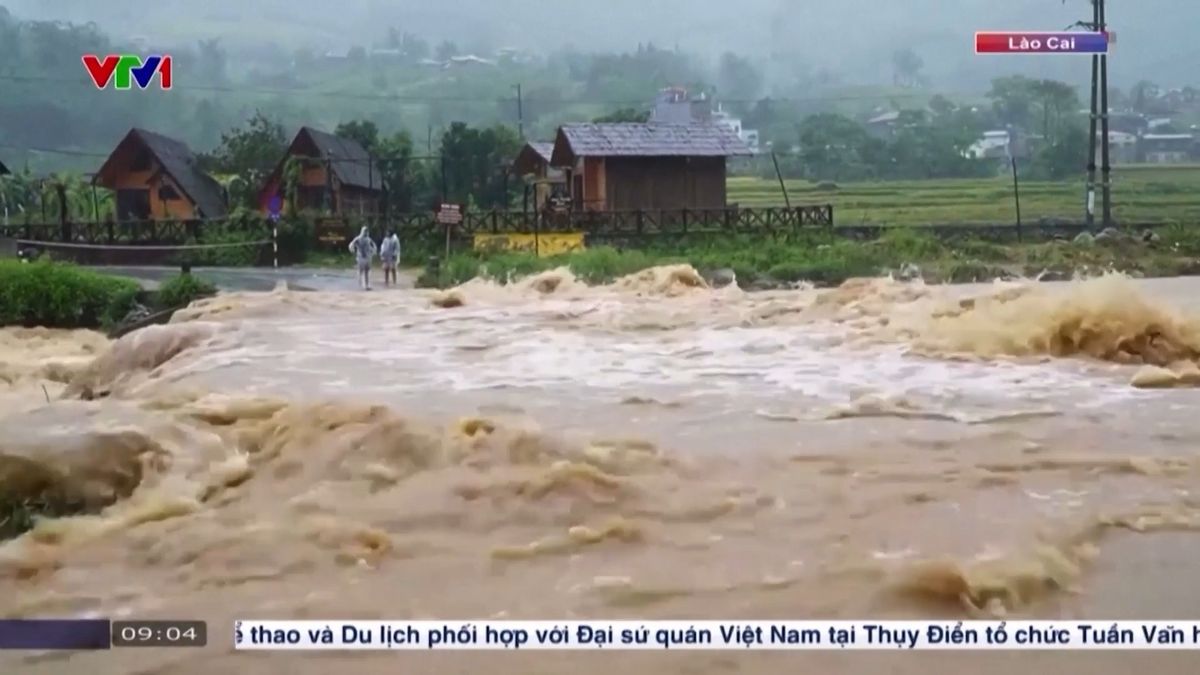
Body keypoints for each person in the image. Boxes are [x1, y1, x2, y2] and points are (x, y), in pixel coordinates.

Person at [348, 226, 378, 290]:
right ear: (362, 231)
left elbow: (374, 245)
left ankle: (367, 285)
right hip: (361, 257)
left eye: (366, 231)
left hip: (368, 257)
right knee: (361, 271)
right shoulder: (358, 238)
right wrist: (352, 249)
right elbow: (351, 244)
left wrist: (373, 251)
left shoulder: (368, 239)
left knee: (367, 271)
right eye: (365, 231)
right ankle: (360, 284)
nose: (366, 232)